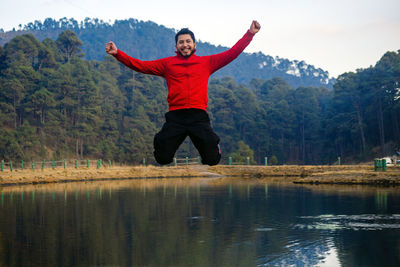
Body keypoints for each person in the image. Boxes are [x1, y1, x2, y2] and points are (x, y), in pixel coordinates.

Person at [106, 20, 261, 165]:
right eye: (181, 42)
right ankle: (160, 140)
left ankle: (214, 144)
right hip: (176, 118)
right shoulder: (167, 64)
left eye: (188, 42)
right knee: (162, 158)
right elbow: (140, 65)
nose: (185, 45)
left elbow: (233, 52)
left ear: (194, 44)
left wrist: (250, 33)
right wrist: (117, 53)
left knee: (212, 159)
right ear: (176, 45)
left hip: (198, 117)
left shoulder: (207, 62)